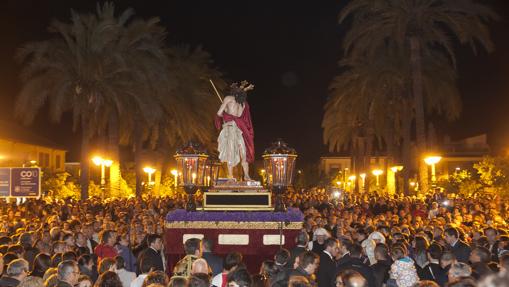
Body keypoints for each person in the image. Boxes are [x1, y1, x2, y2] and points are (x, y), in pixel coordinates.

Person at [215, 81, 255, 180]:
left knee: (230, 153)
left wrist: (225, 113)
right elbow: (243, 119)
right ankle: (246, 176)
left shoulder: (228, 98)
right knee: (243, 154)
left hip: (230, 129)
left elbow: (219, 113)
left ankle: (230, 176)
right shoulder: (243, 104)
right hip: (239, 130)